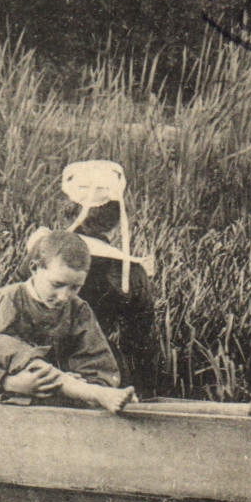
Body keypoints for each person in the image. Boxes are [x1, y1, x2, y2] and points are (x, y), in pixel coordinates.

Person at [0, 229, 135, 413]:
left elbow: (99, 365)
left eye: (75, 288)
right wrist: (9, 382)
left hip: (51, 401)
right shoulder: (8, 299)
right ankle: (94, 393)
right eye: (57, 284)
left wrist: (71, 382)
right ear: (35, 269)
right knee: (5, 345)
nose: (64, 296)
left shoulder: (78, 309)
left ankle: (85, 390)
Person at [56, 161, 161, 392]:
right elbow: (140, 344)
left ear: (67, 210)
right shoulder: (130, 271)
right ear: (116, 219)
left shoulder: (44, 254)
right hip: (102, 375)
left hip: (43, 371)